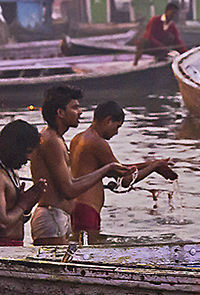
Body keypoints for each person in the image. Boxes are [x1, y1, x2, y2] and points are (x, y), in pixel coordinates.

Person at [28, 85, 131, 245]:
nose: (81, 112)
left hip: (57, 217)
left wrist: (106, 170)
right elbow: (69, 190)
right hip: (51, 217)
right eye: (75, 107)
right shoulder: (51, 141)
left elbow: (70, 183)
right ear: (60, 113)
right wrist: (105, 170)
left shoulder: (56, 139)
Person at [69, 100, 177, 244]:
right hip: (88, 210)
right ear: (108, 120)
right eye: (117, 126)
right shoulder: (98, 143)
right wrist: (154, 167)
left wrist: (152, 163)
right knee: (89, 256)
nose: (116, 132)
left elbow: (116, 168)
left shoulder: (78, 139)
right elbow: (125, 179)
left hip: (76, 208)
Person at [0, 119, 48, 247]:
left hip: (11, 246)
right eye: (27, 152)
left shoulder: (8, 170)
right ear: (15, 148)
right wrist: (23, 204)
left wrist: (30, 201)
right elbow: (1, 225)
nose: (29, 158)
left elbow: (16, 218)